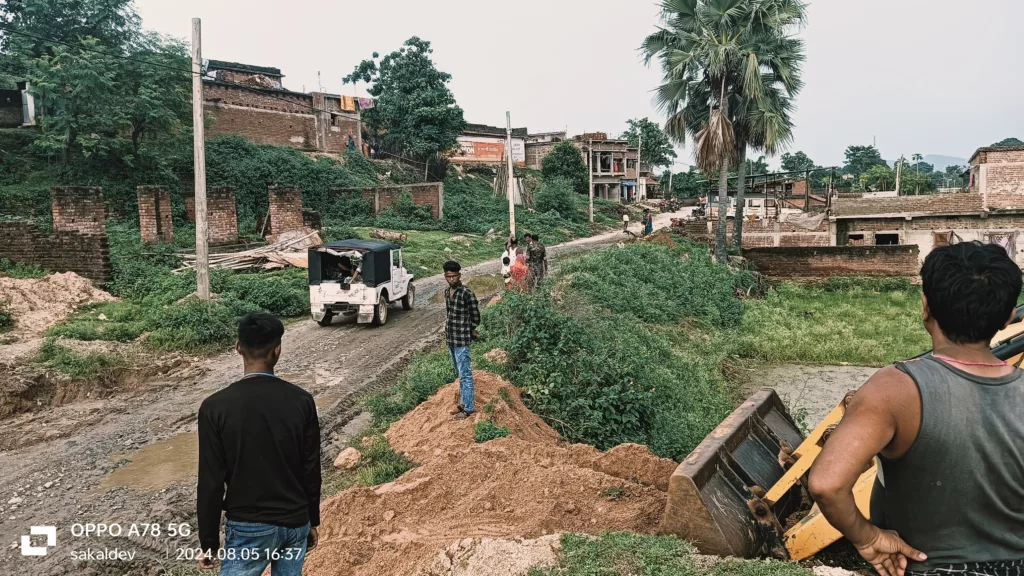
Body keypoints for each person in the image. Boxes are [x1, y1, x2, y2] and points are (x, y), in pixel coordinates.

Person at [808, 241, 1024, 576]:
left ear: (925, 306)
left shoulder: (895, 388)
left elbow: (827, 484)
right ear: (1009, 314)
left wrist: (867, 538)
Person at [197, 312, 321, 575]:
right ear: (277, 350)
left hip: (248, 528)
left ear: (238, 347)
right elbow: (311, 468)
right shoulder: (302, 401)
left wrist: (208, 543)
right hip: (295, 523)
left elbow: (210, 481)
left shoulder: (214, 408)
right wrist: (312, 519)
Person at [443, 261, 481, 420]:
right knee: (459, 372)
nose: (452, 279)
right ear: (445, 276)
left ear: (459, 275)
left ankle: (469, 408)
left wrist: (469, 329)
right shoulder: (447, 292)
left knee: (465, 374)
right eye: (448, 276)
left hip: (462, 340)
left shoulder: (467, 293)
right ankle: (463, 403)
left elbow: (476, 317)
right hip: (451, 338)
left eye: (454, 276)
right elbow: (449, 314)